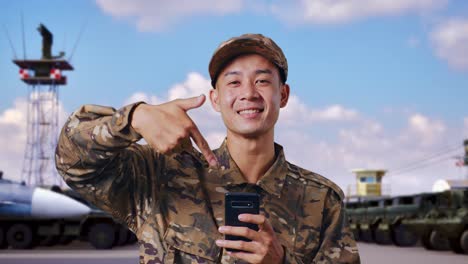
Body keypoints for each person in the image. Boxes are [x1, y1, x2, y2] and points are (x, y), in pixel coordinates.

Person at [55, 33, 360, 264]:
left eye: (262, 81)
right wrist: (133, 118)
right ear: (215, 99)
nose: (249, 94)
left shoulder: (322, 201)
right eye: (234, 82)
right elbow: (72, 161)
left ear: (283, 94)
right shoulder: (159, 176)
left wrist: (281, 262)